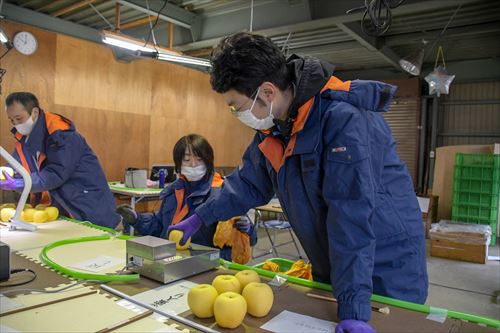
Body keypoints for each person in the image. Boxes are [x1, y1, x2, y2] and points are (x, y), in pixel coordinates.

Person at [168, 33, 428, 332]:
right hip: (335, 263)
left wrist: (355, 308)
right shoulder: (277, 128)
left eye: (235, 105)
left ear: (266, 92)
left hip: (384, 268)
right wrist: (201, 216)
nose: (236, 114)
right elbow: (247, 184)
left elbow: (351, 217)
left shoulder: (343, 120)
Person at [116, 134, 257, 263]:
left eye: (199, 159)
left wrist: (247, 228)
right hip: (171, 260)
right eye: (187, 159)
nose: (193, 164)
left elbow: (249, 239)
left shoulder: (222, 192)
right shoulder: (174, 191)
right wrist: (137, 219)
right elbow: (160, 226)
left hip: (207, 264)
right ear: (178, 164)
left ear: (209, 161)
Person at [0, 92, 120, 229]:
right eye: (11, 120)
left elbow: (56, 173)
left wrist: (20, 183)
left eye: (19, 118)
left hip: (88, 207)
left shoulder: (62, 136)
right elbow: (17, 164)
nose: (16, 124)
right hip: (61, 209)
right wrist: (7, 173)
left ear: (34, 113)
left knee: (95, 244)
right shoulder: (25, 139)